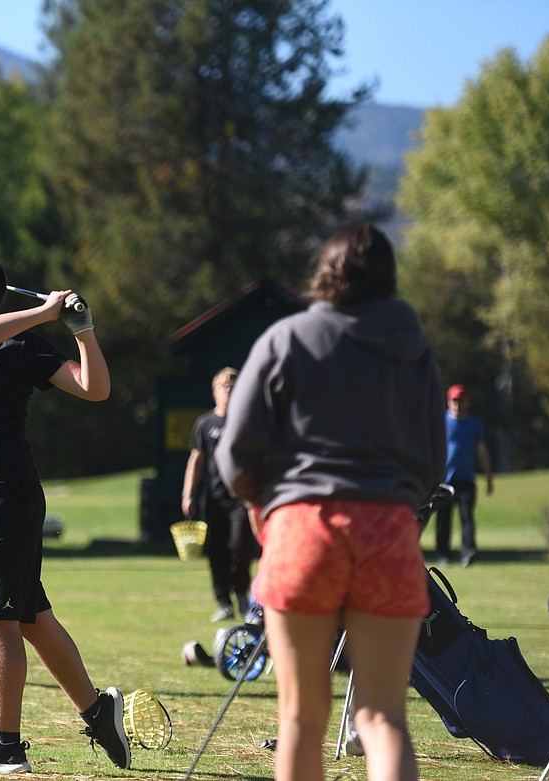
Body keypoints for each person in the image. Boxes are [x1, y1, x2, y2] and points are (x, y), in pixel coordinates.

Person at [214, 223, 446, 781]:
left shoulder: (285, 339)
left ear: (325, 272)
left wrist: (260, 500)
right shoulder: (413, 346)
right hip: (388, 532)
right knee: (384, 717)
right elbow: (433, 460)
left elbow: (235, 456)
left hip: (302, 529)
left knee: (300, 717)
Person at [0, 256, 130, 773]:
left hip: (7, 491)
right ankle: (98, 712)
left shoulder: (24, 344)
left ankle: (6, 745)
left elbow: (95, 388)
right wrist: (42, 312)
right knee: (30, 616)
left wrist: (82, 330)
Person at [181, 366, 258, 622]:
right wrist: (187, 495)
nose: (228, 391)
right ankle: (223, 602)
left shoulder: (246, 422)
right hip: (213, 498)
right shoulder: (205, 424)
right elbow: (196, 460)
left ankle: (242, 594)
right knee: (217, 551)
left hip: (241, 498)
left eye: (234, 387)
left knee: (240, 546)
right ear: (214, 391)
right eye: (223, 386)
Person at [434, 384, 494, 567]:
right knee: (443, 520)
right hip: (444, 481)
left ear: (467, 403)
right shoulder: (441, 422)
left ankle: (468, 552)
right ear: (448, 402)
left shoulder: (474, 424)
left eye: (461, 401)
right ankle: (443, 554)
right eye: (454, 401)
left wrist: (489, 477)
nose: (458, 405)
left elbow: (481, 450)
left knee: (467, 517)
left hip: (466, 479)